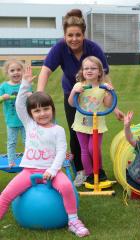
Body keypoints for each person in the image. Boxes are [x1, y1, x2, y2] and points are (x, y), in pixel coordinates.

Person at [37, 9, 124, 187]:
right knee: (77, 134)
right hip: (73, 93)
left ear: (83, 34)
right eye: (70, 35)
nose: (74, 39)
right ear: (65, 35)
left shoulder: (93, 48)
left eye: (78, 35)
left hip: (95, 94)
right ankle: (81, 171)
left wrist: (113, 107)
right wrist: (40, 92)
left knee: (94, 137)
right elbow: (46, 70)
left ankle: (98, 171)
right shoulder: (60, 48)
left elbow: (105, 75)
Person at [0, 66, 90, 238]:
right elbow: (20, 104)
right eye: (37, 110)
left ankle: (73, 220)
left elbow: (61, 151)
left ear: (52, 109)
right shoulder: (29, 124)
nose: (42, 114)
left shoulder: (58, 130)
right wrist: (25, 83)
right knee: (6, 194)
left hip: (53, 172)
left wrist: (52, 170)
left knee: (66, 187)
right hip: (29, 171)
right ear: (31, 114)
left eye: (46, 109)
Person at [68, 56, 114, 184]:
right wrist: (73, 92)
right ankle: (89, 174)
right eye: (86, 68)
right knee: (84, 149)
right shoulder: (79, 85)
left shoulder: (103, 87)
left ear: (99, 71)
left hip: (97, 123)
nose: (89, 70)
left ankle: (99, 171)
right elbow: (71, 103)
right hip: (81, 122)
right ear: (82, 71)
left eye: (93, 68)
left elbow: (108, 104)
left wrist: (110, 93)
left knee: (93, 148)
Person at [0, 59, 31, 167]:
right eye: (12, 70)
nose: (16, 72)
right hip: (11, 121)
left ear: (22, 71)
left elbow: (32, 101)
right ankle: (11, 161)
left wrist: (30, 95)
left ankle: (29, 160)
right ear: (7, 73)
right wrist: (2, 98)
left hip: (25, 121)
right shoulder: (4, 86)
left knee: (28, 141)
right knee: (11, 142)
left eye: (18, 70)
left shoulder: (25, 84)